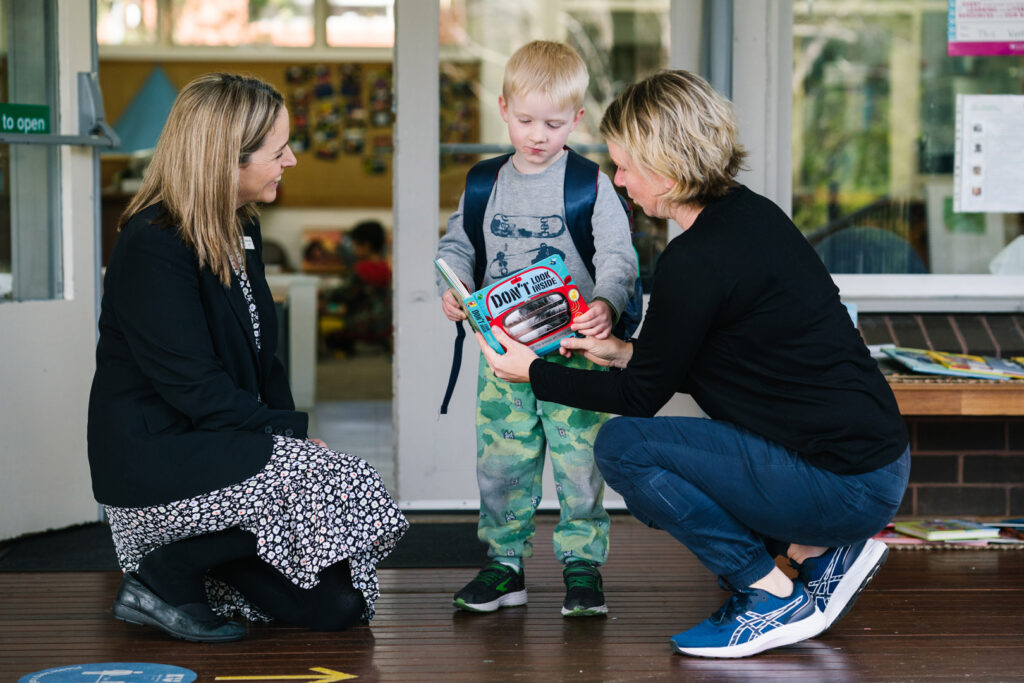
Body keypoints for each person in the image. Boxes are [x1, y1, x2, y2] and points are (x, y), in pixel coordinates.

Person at [476, 69, 910, 658]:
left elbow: (638, 400)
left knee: (625, 447)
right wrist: (622, 352)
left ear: (670, 169)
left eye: (626, 166)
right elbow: (711, 358)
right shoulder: (751, 215)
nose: (620, 179)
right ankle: (819, 552)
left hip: (841, 484)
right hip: (871, 465)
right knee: (686, 447)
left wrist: (531, 371)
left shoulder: (695, 259)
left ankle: (767, 593)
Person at [87, 73, 408, 643]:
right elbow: (193, 387)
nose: (290, 160)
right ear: (226, 159)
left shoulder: (240, 230)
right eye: (278, 149)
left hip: (228, 459)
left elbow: (267, 364)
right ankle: (164, 571)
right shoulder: (152, 244)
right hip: (163, 464)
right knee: (342, 478)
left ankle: (193, 562)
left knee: (339, 608)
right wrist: (288, 444)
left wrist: (283, 439)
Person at [436, 40, 638, 617]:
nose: (538, 134)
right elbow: (458, 246)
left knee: (580, 463)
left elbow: (618, 257)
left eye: (553, 123)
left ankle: (582, 566)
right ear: (503, 108)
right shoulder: (483, 183)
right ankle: (504, 566)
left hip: (575, 353)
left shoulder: (589, 183)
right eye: (525, 120)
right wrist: (453, 289)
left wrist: (606, 302)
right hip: (504, 354)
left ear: (577, 118)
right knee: (502, 461)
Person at [324, 220, 393, 355]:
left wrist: (322, 294)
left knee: (330, 337)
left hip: (361, 327)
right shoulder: (386, 268)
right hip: (385, 328)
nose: (353, 249)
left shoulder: (361, 269)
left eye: (355, 245)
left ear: (366, 246)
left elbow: (343, 294)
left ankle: (361, 345)